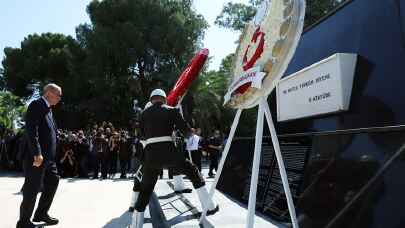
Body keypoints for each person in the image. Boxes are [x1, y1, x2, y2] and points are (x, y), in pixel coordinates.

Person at [131, 89, 219, 228]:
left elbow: (141, 135)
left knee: (146, 190)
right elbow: (186, 131)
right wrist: (190, 133)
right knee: (193, 171)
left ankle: (136, 224)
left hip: (151, 156)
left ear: (151, 99)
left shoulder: (143, 114)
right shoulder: (171, 110)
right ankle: (209, 206)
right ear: (164, 99)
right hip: (170, 154)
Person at [17, 83, 62, 228]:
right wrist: (37, 153)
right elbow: (31, 130)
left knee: (53, 180)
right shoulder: (37, 105)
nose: (60, 98)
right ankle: (23, 222)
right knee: (32, 188)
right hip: (36, 157)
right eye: (58, 94)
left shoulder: (48, 109)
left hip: (48, 158)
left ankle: (41, 213)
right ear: (49, 92)